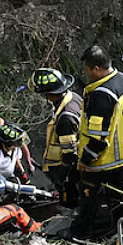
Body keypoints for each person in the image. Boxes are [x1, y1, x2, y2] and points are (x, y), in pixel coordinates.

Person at [74, 45, 123, 239]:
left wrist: (85, 160)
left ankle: (84, 236)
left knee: (89, 200)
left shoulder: (102, 95)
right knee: (119, 198)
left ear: (97, 68)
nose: (87, 73)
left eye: (88, 70)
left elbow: (98, 137)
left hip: (102, 162)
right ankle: (122, 231)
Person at [30, 68, 82, 197]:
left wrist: (62, 176)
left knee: (70, 196)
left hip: (68, 167)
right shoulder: (73, 97)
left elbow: (69, 154)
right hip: (78, 159)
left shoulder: (66, 117)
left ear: (50, 94)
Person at [0, 108, 35, 172]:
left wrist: (28, 161)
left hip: (14, 159)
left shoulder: (11, 128)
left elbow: (22, 144)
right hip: (0, 163)